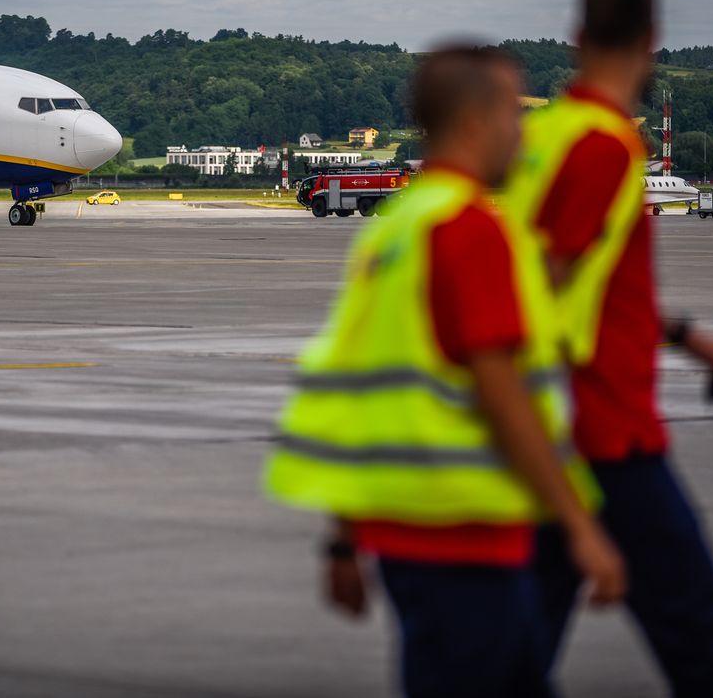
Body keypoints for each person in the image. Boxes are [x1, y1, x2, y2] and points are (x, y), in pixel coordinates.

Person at [264, 45, 626, 698]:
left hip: (403, 535)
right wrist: (578, 524)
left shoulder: (394, 228)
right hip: (467, 538)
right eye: (512, 113)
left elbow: (363, 395)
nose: (523, 130)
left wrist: (344, 541)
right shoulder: (467, 229)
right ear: (475, 120)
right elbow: (502, 393)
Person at [502, 0, 713, 697]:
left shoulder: (543, 134)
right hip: (603, 430)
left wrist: (683, 335)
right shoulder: (607, 147)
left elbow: (594, 282)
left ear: (577, 40)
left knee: (520, 654)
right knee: (705, 642)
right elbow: (543, 279)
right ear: (653, 43)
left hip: (554, 423)